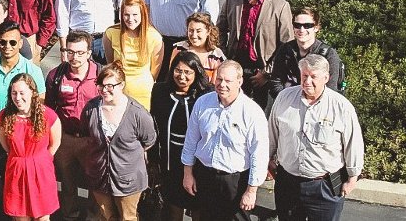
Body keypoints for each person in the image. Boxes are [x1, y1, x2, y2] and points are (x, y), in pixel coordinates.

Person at [268, 55, 364, 221]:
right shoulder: (284, 98)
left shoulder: (341, 107)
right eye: (304, 76)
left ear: (326, 78)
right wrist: (267, 159)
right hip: (287, 183)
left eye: (313, 77)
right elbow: (271, 133)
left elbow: (353, 144)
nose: (307, 81)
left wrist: (352, 177)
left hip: (324, 187)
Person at [181, 60, 269, 221]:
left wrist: (251, 191)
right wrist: (188, 173)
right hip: (205, 177)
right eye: (219, 79)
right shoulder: (203, 103)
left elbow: (259, 154)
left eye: (228, 81)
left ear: (240, 81)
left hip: (234, 182)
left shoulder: (252, 112)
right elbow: (191, 140)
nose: (222, 85)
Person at [0, 20, 45, 217]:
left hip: (23, 142)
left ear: (21, 43)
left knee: (17, 190)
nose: (8, 47)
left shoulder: (33, 71)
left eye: (13, 42)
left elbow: (40, 107)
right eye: (3, 42)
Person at [80, 61, 157, 221]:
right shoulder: (91, 109)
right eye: (100, 85)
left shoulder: (138, 113)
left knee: (127, 217)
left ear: (121, 85)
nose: (104, 90)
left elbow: (149, 140)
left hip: (128, 180)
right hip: (99, 176)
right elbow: (87, 134)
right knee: (106, 216)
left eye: (110, 85)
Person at [218, 0, 293, 110]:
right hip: (235, 65)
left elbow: (287, 44)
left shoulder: (280, 6)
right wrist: (223, 57)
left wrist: (266, 73)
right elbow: (220, 28)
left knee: (259, 112)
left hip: (262, 70)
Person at [44, 30, 101, 221]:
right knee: (67, 184)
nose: (74, 57)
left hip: (92, 139)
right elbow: (49, 109)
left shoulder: (101, 75)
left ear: (89, 53)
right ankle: (70, 216)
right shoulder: (56, 75)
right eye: (70, 52)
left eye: (80, 53)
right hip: (65, 139)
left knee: (95, 184)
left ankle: (93, 217)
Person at [150, 51, 213, 221]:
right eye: (178, 71)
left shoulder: (206, 95)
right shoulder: (160, 92)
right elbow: (153, 127)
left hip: (198, 164)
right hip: (170, 161)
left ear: (196, 73)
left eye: (187, 72)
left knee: (197, 205)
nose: (182, 76)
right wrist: (153, 160)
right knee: (173, 205)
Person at [0, 73, 61, 220]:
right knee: (21, 217)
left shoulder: (48, 116)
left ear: (32, 92)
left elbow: (55, 143)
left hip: (41, 171)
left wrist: (40, 160)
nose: (17, 98)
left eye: (22, 93)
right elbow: (6, 146)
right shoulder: (4, 117)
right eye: (14, 93)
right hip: (17, 172)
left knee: (43, 218)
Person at [103, 0, 164, 111]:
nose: (130, 19)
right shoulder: (111, 33)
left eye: (135, 14)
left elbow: (154, 72)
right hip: (118, 91)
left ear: (143, 14)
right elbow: (110, 63)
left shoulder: (154, 37)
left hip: (143, 94)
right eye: (126, 14)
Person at [268, 7, 342, 98]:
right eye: (297, 25)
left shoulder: (329, 55)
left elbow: (331, 90)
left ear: (316, 28)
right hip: (289, 103)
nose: (301, 30)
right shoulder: (284, 50)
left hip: (319, 106)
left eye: (307, 25)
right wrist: (288, 101)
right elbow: (276, 83)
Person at [170, 12, 226, 83]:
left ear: (208, 31)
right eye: (191, 30)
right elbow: (171, 77)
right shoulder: (178, 49)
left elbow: (213, 87)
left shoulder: (217, 56)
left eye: (198, 31)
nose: (194, 35)